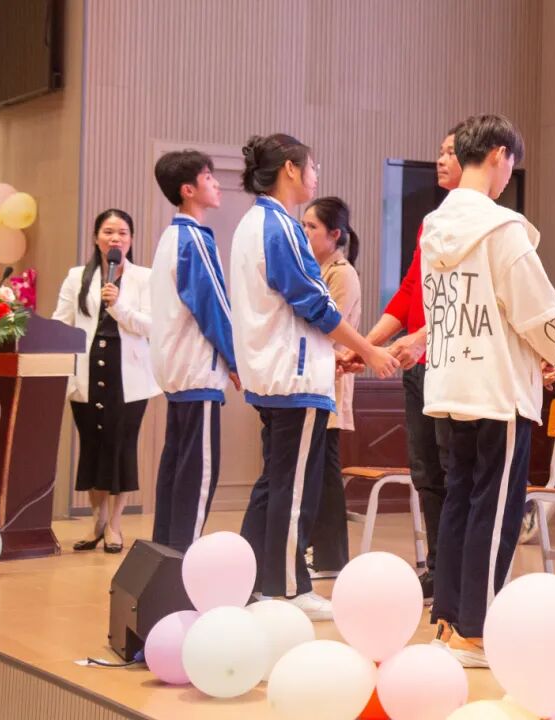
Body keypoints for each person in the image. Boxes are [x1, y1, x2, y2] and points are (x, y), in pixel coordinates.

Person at [421, 114, 555, 667]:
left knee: (459, 500)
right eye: (511, 163)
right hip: (498, 388)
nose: (510, 175)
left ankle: (449, 621)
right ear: (498, 155)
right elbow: (538, 313)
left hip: (450, 382)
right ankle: (476, 631)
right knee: (495, 509)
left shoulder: (434, 226)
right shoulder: (501, 228)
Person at [230, 133, 399, 621]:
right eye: (312, 166)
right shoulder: (279, 226)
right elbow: (313, 304)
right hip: (294, 377)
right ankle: (287, 587)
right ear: (290, 169)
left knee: (274, 481)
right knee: (293, 489)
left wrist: (347, 353)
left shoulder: (252, 223)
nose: (315, 174)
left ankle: (252, 581)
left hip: (274, 373)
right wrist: (367, 349)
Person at [345, 125, 464, 602]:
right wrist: (365, 345)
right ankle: (438, 565)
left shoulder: (483, 224)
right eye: (440, 151)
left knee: (454, 471)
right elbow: (411, 289)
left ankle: (458, 572)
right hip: (417, 366)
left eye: (451, 153)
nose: (441, 160)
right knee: (425, 472)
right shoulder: (431, 222)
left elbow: (460, 301)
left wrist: (417, 339)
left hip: (451, 365)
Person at [53, 209, 161, 554]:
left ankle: (115, 524)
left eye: (123, 233)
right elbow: (62, 322)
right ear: (96, 237)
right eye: (109, 231)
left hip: (128, 374)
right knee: (93, 446)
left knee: (121, 447)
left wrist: (119, 306)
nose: (115, 238)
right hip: (87, 370)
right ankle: (97, 521)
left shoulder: (145, 277)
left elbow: (153, 325)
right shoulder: (77, 277)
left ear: (131, 239)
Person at [148, 150, 238, 554]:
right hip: (197, 372)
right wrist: (237, 360)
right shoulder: (194, 239)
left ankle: (165, 555)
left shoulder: (170, 237)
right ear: (188, 190)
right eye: (208, 178)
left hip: (176, 371)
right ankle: (185, 562)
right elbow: (213, 306)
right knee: (199, 475)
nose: (216, 184)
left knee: (176, 470)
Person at [302, 196, 361, 578]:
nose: (305, 232)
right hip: (313, 379)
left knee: (325, 473)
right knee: (316, 471)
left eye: (312, 227)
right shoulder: (313, 268)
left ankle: (332, 557)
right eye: (303, 225)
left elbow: (329, 327)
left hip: (330, 382)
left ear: (334, 234)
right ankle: (320, 552)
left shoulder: (341, 274)